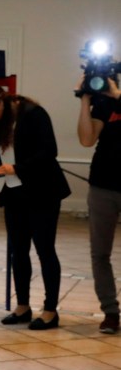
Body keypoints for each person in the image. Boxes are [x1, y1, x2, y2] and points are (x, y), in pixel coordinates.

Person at [0, 84, 70, 330]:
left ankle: (50, 311)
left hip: (43, 192)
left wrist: (16, 169)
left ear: (0, 102)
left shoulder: (34, 113)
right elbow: (7, 156)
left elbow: (48, 152)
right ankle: (22, 306)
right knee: (18, 251)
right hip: (15, 193)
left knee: (45, 250)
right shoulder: (3, 121)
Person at [76, 76, 121, 334]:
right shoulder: (104, 105)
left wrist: (118, 96)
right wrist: (84, 100)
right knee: (100, 253)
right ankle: (110, 312)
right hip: (103, 186)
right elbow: (87, 139)